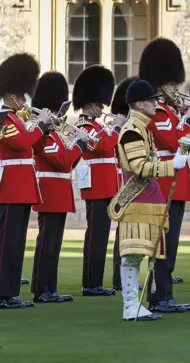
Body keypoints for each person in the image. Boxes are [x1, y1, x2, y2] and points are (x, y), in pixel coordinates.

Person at [107, 79, 189, 321]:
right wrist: (170, 166)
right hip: (138, 200)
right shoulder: (133, 129)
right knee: (132, 255)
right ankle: (131, 305)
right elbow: (140, 167)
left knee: (144, 254)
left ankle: (136, 305)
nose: (156, 104)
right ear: (140, 103)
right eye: (152, 100)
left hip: (148, 199)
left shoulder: (143, 127)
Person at [139, 38, 190, 313]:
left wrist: (184, 121)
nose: (177, 90)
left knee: (170, 244)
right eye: (174, 85)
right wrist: (185, 123)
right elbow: (172, 144)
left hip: (176, 181)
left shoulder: (171, 113)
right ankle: (160, 297)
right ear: (162, 85)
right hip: (165, 181)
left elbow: (186, 144)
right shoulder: (159, 113)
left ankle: (164, 294)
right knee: (163, 243)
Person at [0, 53, 54, 309]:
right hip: (10, 189)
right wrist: (40, 126)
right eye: (21, 97)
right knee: (7, 244)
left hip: (21, 189)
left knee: (17, 242)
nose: (24, 101)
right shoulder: (4, 119)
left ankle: (10, 291)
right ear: (10, 95)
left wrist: (43, 127)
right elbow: (21, 143)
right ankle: (4, 293)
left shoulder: (17, 119)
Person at [30, 71, 90, 303]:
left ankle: (49, 288)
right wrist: (79, 143)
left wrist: (79, 147)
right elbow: (62, 161)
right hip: (50, 192)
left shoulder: (54, 135)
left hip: (59, 191)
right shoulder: (45, 137)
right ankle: (42, 289)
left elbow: (68, 164)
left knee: (54, 245)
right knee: (47, 244)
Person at [73, 65, 126, 296]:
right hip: (97, 187)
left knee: (102, 236)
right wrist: (114, 127)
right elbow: (102, 146)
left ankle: (101, 281)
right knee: (96, 237)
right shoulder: (84, 126)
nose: (103, 109)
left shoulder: (97, 126)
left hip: (108, 186)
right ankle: (91, 283)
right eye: (101, 105)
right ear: (92, 104)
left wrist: (112, 129)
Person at [110, 76, 135, 292]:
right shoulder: (123, 128)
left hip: (132, 181)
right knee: (124, 231)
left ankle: (124, 276)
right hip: (125, 181)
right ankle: (120, 277)